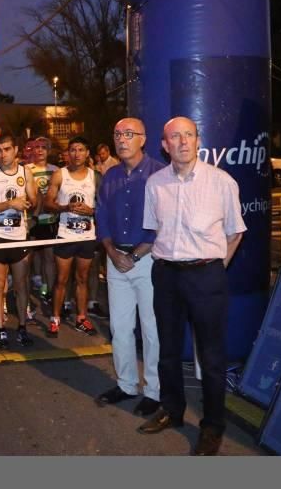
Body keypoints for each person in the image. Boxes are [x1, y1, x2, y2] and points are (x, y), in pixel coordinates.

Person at [139, 116, 245, 456]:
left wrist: (215, 266)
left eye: (189, 135)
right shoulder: (155, 184)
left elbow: (235, 232)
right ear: (164, 145)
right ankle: (172, 410)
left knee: (211, 356)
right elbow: (154, 229)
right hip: (166, 275)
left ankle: (212, 426)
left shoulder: (221, 182)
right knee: (167, 350)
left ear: (198, 140)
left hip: (206, 277)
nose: (183, 142)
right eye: (175, 136)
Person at [94, 118, 164, 416]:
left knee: (151, 329)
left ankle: (154, 391)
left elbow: (163, 223)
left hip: (148, 260)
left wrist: (134, 256)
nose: (122, 139)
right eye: (117, 134)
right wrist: (111, 251)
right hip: (115, 260)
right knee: (120, 328)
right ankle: (126, 385)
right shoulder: (109, 176)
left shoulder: (160, 174)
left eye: (129, 134)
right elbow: (102, 216)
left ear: (143, 139)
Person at [0, 134, 37, 348]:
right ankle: (1, 330)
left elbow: (34, 201)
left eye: (7, 149)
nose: (3, 154)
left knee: (21, 285)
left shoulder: (25, 172)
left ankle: (22, 328)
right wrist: (9, 204)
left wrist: (32, 201)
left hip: (19, 236)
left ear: (16, 150)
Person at [43, 136, 100, 338]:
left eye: (81, 150)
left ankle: (81, 318)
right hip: (65, 234)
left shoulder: (95, 176)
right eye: (73, 150)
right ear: (68, 153)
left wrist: (90, 211)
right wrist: (65, 207)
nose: (76, 154)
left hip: (86, 235)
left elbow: (104, 207)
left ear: (87, 153)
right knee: (62, 279)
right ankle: (55, 318)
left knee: (82, 278)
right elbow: (47, 203)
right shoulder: (60, 174)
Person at [27, 137, 59, 305]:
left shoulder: (56, 170)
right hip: (32, 220)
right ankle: (30, 286)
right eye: (36, 147)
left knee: (49, 257)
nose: (39, 150)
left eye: (43, 148)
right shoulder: (26, 169)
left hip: (49, 220)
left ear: (48, 150)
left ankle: (48, 288)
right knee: (29, 257)